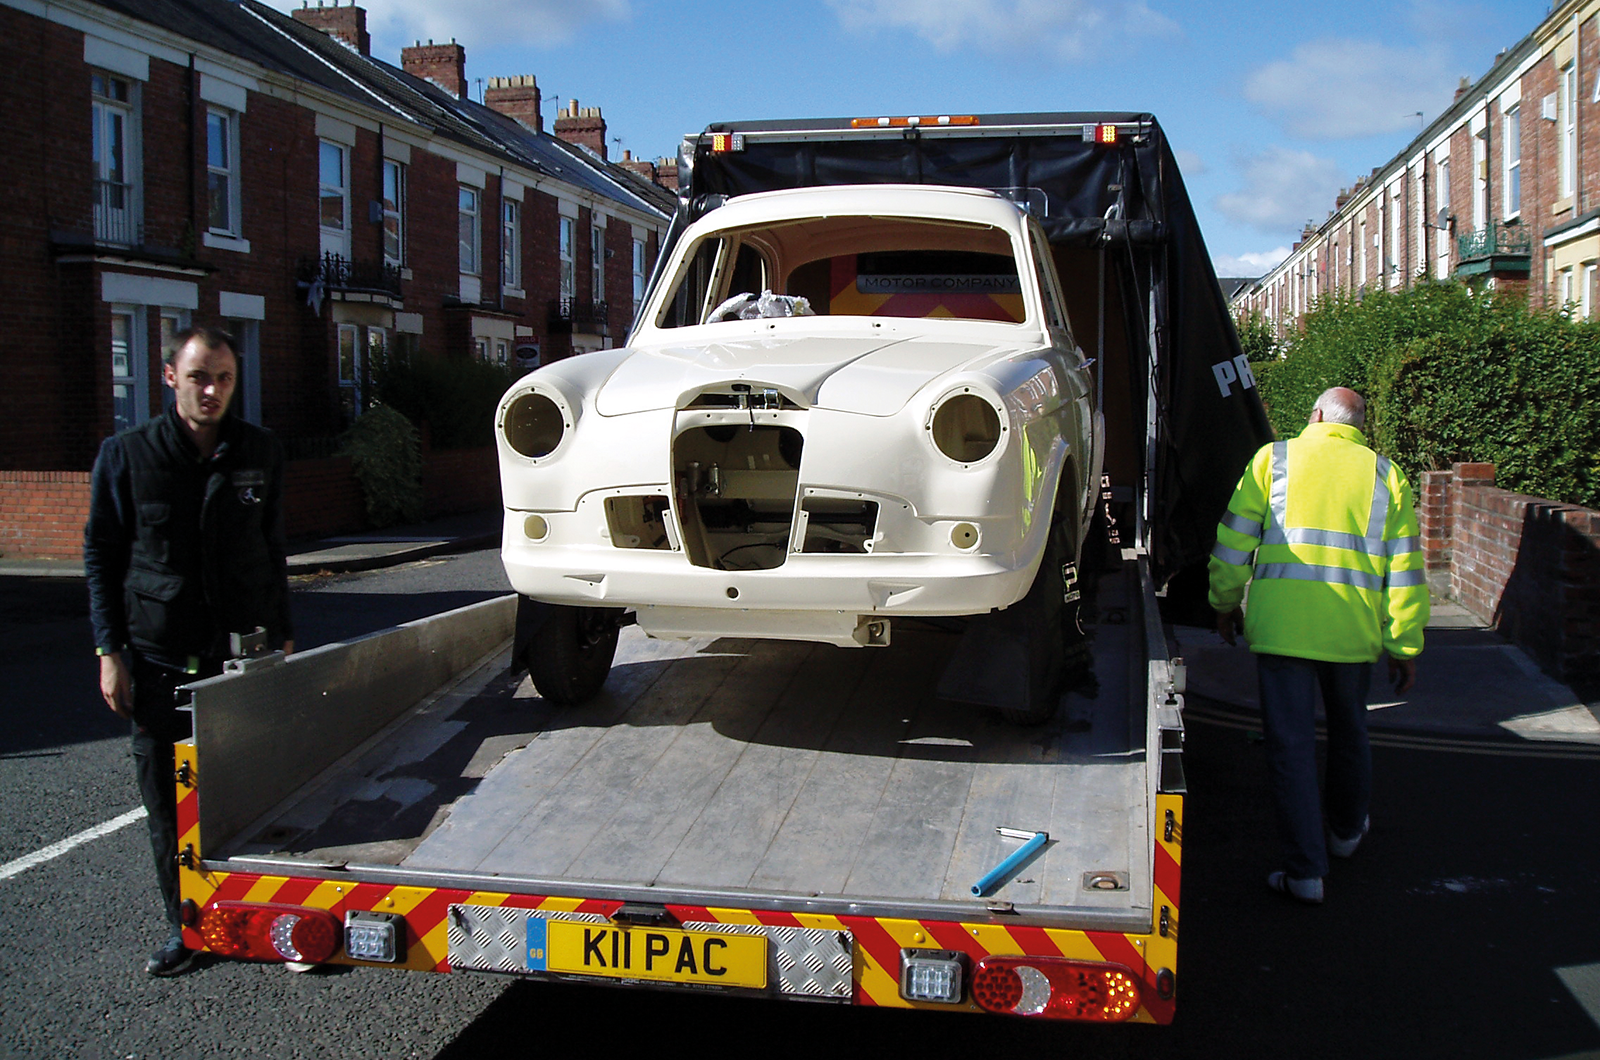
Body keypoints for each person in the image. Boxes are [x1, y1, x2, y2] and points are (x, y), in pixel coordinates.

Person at [85, 326, 293, 975]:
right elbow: (101, 557)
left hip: (241, 660)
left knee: (255, 790)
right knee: (167, 810)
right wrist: (109, 652)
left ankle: (263, 914)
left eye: (224, 378)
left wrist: (284, 633)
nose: (212, 390)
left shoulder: (258, 452)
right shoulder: (127, 455)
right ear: (170, 374)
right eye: (200, 376)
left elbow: (271, 548)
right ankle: (190, 929)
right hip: (158, 661)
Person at [1208, 386, 1427, 905]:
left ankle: (1305, 872)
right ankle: (1346, 834)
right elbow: (1405, 567)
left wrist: (1223, 603)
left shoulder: (1274, 459)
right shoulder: (1385, 475)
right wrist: (1404, 644)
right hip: (1352, 633)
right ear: (1359, 425)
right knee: (1351, 734)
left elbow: (1234, 540)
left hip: (1283, 631)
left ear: (1316, 415)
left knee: (1291, 748)